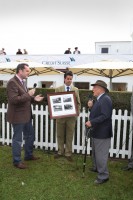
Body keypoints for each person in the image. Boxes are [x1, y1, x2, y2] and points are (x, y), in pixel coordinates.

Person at [6, 63, 44, 169]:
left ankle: (28, 155)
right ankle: (17, 161)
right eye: (27, 71)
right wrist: (29, 95)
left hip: (26, 115)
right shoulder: (12, 82)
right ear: (20, 71)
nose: (29, 73)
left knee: (30, 135)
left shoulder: (22, 82)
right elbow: (14, 100)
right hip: (18, 116)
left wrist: (33, 98)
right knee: (17, 139)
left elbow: (24, 97)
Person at [85, 80, 112, 184]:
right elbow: (97, 113)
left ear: (101, 89)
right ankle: (96, 168)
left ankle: (103, 175)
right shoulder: (99, 99)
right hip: (97, 131)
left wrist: (92, 122)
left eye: (94, 87)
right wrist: (91, 107)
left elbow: (105, 116)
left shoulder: (105, 99)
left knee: (101, 155)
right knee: (96, 153)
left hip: (102, 133)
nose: (93, 89)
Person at [54, 71, 81, 161]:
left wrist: (77, 114)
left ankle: (68, 153)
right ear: (64, 79)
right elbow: (54, 102)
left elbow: (78, 103)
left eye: (71, 79)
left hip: (71, 118)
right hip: (60, 117)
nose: (69, 80)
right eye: (68, 79)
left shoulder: (76, 89)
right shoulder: (58, 89)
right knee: (60, 135)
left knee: (69, 135)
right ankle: (60, 152)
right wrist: (55, 113)